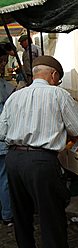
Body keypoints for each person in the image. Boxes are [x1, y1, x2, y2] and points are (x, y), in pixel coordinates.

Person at [0, 55, 78, 247]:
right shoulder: (59, 94)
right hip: (41, 162)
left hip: (13, 160)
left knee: (21, 216)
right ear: (54, 75)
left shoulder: (15, 96)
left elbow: (1, 132)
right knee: (51, 218)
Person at [0, 50, 15, 228]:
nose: (3, 64)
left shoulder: (4, 84)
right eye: (1, 61)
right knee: (4, 177)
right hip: (2, 140)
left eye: (4, 61)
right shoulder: (3, 87)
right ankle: (7, 214)